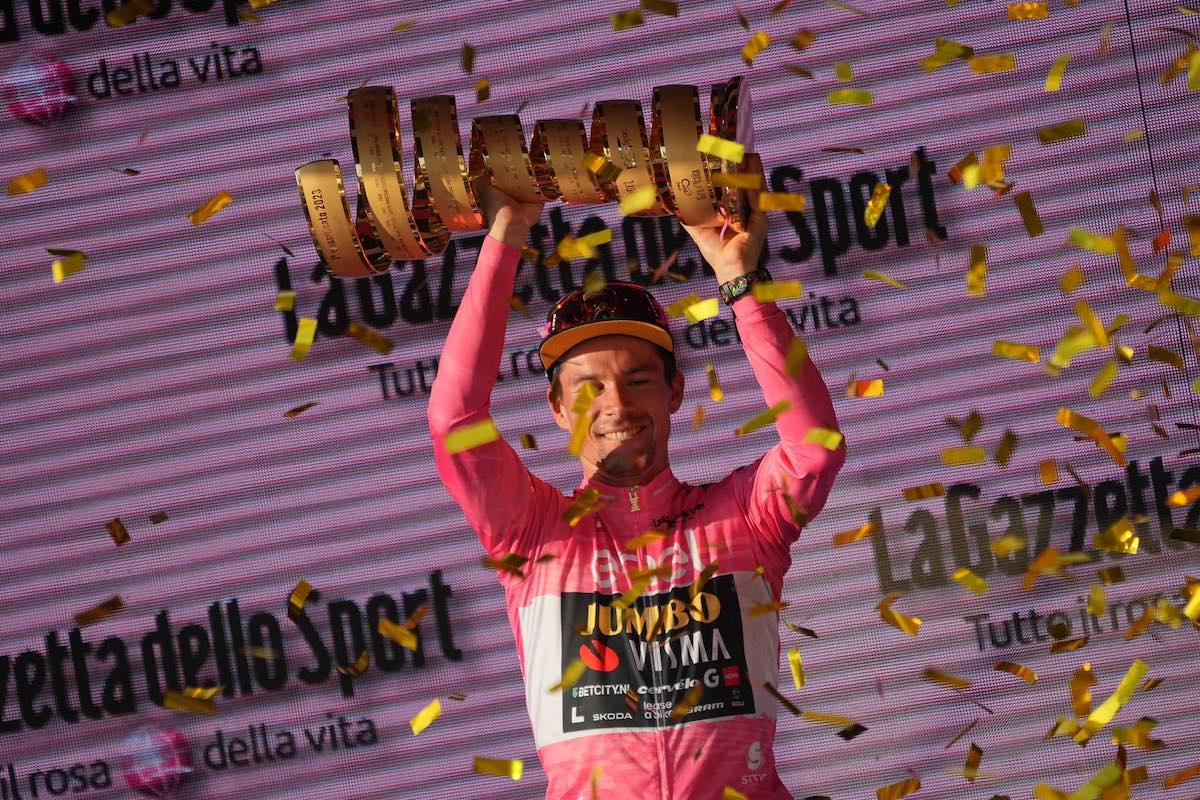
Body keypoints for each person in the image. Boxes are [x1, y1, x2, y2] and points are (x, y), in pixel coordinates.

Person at [428, 162, 845, 800]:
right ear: (557, 408)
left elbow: (813, 448)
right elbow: (454, 419)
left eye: (638, 379)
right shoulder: (531, 532)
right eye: (589, 388)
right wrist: (506, 233)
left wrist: (741, 285)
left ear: (675, 391)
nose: (616, 405)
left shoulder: (743, 518)